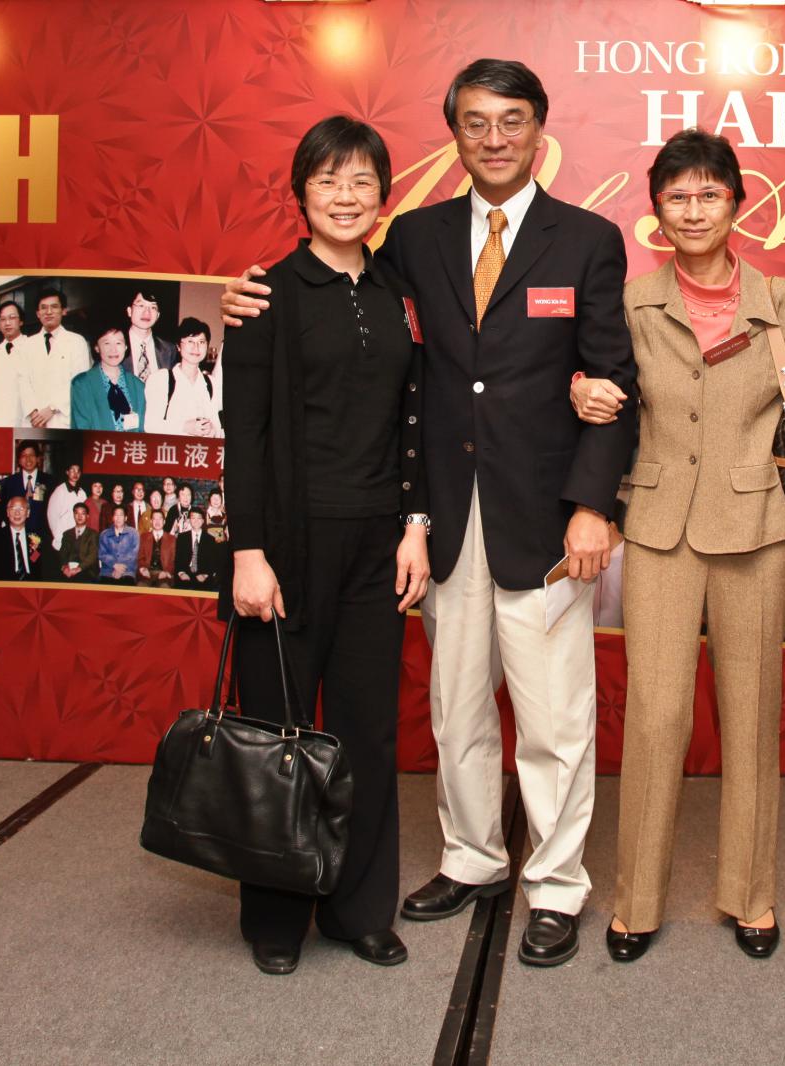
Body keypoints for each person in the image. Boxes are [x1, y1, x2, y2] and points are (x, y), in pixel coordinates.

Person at [226, 70, 635, 972]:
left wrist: (592, 506)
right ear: (453, 133)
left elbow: (613, 378)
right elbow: (345, 306)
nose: (494, 139)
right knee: (455, 707)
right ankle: (474, 858)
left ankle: (555, 885)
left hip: (545, 521)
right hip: (437, 518)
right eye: (475, 123)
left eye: (511, 122)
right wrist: (244, 300)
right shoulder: (413, 236)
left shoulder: (587, 240)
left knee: (555, 716)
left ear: (540, 130)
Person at [567, 128, 785, 962]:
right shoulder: (633, 302)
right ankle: (637, 900)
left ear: (737, 203)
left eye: (709, 194)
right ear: (656, 211)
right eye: (677, 196)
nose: (694, 210)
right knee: (656, 719)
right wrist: (579, 385)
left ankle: (751, 894)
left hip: (759, 532)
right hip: (660, 530)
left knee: (751, 717)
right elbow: (598, 387)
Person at [220, 114, 432, 976]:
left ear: (384, 195)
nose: (346, 196)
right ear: (300, 194)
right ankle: (275, 919)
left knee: (364, 737)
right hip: (286, 547)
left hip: (378, 548)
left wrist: (415, 526)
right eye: (327, 181)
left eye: (362, 181)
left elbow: (416, 421)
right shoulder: (266, 295)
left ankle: (357, 909)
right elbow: (244, 436)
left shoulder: (397, 293)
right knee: (276, 739)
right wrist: (248, 552)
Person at [20, 289, 91, 429]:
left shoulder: (77, 342)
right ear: (37, 313)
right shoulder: (27, 345)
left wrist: (52, 408)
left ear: (64, 311)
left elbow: (79, 383)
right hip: (34, 422)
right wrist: (34, 413)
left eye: (54, 307)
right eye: (43, 308)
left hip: (63, 419)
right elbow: (23, 382)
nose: (48, 312)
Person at [144, 318, 221, 437]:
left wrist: (212, 430)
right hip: (169, 447)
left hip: (200, 448)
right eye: (190, 341)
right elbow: (150, 425)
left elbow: (217, 426)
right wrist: (185, 427)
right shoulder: (161, 379)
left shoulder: (211, 383)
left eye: (201, 342)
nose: (196, 347)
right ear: (178, 346)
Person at [71, 324, 146, 432]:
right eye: (107, 343)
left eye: (118, 343)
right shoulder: (81, 384)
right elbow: (81, 428)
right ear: (97, 347)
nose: (113, 350)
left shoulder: (138, 386)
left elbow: (143, 429)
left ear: (126, 347)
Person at [0, 300, 29, 427]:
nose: (7, 323)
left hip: (24, 422)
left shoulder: (31, 347)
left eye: (12, 318)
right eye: (2, 319)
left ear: (21, 321)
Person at [0, 496, 48, 580]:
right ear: (7, 512)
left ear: (28, 513)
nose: (17, 513)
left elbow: (38, 565)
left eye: (21, 509)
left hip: (31, 583)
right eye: (13, 509)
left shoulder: (36, 538)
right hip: (7, 583)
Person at [0, 442, 52, 535]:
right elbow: (0, 508)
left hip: (42, 535)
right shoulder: (8, 482)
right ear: (19, 460)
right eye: (24, 456)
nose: (28, 459)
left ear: (38, 458)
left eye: (31, 455)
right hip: (16, 534)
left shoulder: (50, 481)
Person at [126, 289, 176, 383]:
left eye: (153, 307)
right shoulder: (114, 346)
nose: (147, 312)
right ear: (129, 311)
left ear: (158, 315)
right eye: (141, 305)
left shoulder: (169, 350)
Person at [46, 463, 88, 549]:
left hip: (78, 537)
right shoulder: (60, 491)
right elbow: (52, 516)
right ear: (67, 472)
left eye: (78, 471)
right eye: (72, 470)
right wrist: (58, 537)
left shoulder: (82, 492)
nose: (75, 474)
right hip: (63, 537)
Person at [172, 509, 217, 589]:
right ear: (189, 520)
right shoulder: (182, 538)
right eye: (193, 518)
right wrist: (181, 573)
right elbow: (178, 559)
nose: (196, 521)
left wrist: (205, 575)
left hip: (203, 574)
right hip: (185, 573)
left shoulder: (210, 539)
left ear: (203, 521)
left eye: (199, 518)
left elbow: (212, 562)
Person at [137, 506, 175, 586]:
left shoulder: (172, 539)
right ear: (151, 521)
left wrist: (167, 571)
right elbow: (140, 557)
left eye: (160, 519)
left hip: (163, 573)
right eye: (154, 519)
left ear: (164, 521)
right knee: (140, 587)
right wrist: (143, 569)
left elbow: (174, 560)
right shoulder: (144, 537)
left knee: (164, 588)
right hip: (147, 573)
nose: (157, 522)